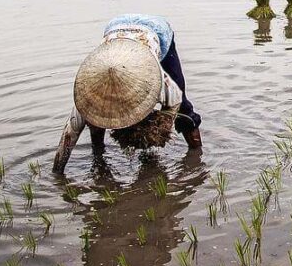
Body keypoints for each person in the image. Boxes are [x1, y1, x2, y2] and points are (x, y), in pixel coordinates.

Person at [52, 14, 202, 174]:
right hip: (115, 30)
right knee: (95, 121)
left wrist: (159, 128)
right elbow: (68, 139)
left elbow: (175, 102)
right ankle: (98, 158)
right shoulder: (87, 99)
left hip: (156, 31)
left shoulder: (158, 83)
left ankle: (197, 158)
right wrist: (57, 173)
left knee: (185, 109)